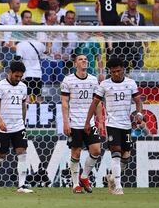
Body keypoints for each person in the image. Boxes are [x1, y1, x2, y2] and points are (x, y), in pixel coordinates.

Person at [84, 57, 143, 195]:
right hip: (112, 124)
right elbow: (94, 103)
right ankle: (118, 186)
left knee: (126, 156)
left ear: (123, 69)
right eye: (113, 71)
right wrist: (88, 121)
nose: (116, 74)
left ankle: (112, 177)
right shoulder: (104, 84)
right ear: (109, 71)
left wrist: (139, 113)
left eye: (118, 71)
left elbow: (138, 101)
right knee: (115, 153)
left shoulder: (131, 83)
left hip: (126, 125)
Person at [0, 61, 33, 194]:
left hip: (18, 126)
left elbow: (23, 105)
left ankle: (21, 185)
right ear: (10, 72)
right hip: (3, 127)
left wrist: (23, 122)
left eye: (20, 77)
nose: (18, 79)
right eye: (16, 76)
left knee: (22, 153)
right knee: (0, 156)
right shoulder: (0, 86)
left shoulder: (23, 86)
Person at [61, 54, 103, 194]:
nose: (84, 61)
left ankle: (84, 176)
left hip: (89, 123)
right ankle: (75, 185)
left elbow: (96, 102)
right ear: (75, 64)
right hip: (74, 123)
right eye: (80, 59)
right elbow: (65, 103)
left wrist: (100, 120)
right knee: (76, 153)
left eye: (85, 59)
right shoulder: (68, 80)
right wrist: (66, 122)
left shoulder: (93, 80)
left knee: (96, 150)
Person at [16, 37, 45, 103]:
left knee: (27, 97)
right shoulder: (39, 44)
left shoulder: (20, 45)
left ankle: (27, 112)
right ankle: (39, 112)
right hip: (38, 73)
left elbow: (18, 58)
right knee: (38, 96)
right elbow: (47, 51)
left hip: (27, 73)